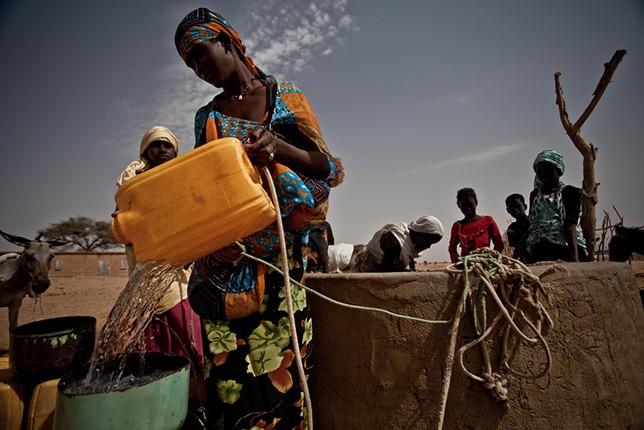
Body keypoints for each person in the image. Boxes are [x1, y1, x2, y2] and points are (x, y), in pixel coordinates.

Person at [174, 8, 343, 429]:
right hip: (226, 268)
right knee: (229, 383)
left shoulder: (285, 94)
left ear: (227, 42)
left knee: (283, 378)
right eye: (189, 64)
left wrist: (279, 149)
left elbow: (329, 169)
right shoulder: (207, 118)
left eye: (200, 53)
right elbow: (204, 188)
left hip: (284, 268)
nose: (198, 68)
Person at [115, 125, 206, 427]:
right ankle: (163, 408)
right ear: (145, 153)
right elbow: (124, 228)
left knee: (192, 343)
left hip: (181, 280)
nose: (163, 151)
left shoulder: (182, 183)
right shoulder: (133, 185)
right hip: (148, 283)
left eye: (168, 145)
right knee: (154, 350)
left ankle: (194, 405)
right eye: (156, 146)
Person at [525, 150, 587, 263]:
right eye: (540, 171)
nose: (543, 174)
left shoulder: (570, 192)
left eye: (548, 169)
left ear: (558, 170)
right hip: (539, 249)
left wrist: (574, 257)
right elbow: (533, 226)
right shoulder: (534, 195)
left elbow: (570, 224)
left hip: (565, 247)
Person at [352, 216, 444, 272]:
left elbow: (410, 259)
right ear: (422, 233)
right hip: (370, 266)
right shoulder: (395, 241)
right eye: (428, 242)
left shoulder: (411, 242)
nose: (428, 246)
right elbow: (385, 272)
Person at [448, 188, 504, 263]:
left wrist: (492, 259)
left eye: (470, 204)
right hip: (466, 264)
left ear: (476, 202)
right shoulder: (457, 226)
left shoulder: (488, 221)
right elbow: (452, 247)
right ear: (459, 205)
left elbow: (499, 244)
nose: (468, 208)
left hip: (487, 263)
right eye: (464, 205)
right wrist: (458, 261)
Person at [505, 193, 530, 261]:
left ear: (525, 206)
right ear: (508, 210)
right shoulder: (512, 228)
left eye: (518, 206)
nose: (515, 209)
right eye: (512, 207)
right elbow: (517, 248)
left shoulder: (534, 221)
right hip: (526, 261)